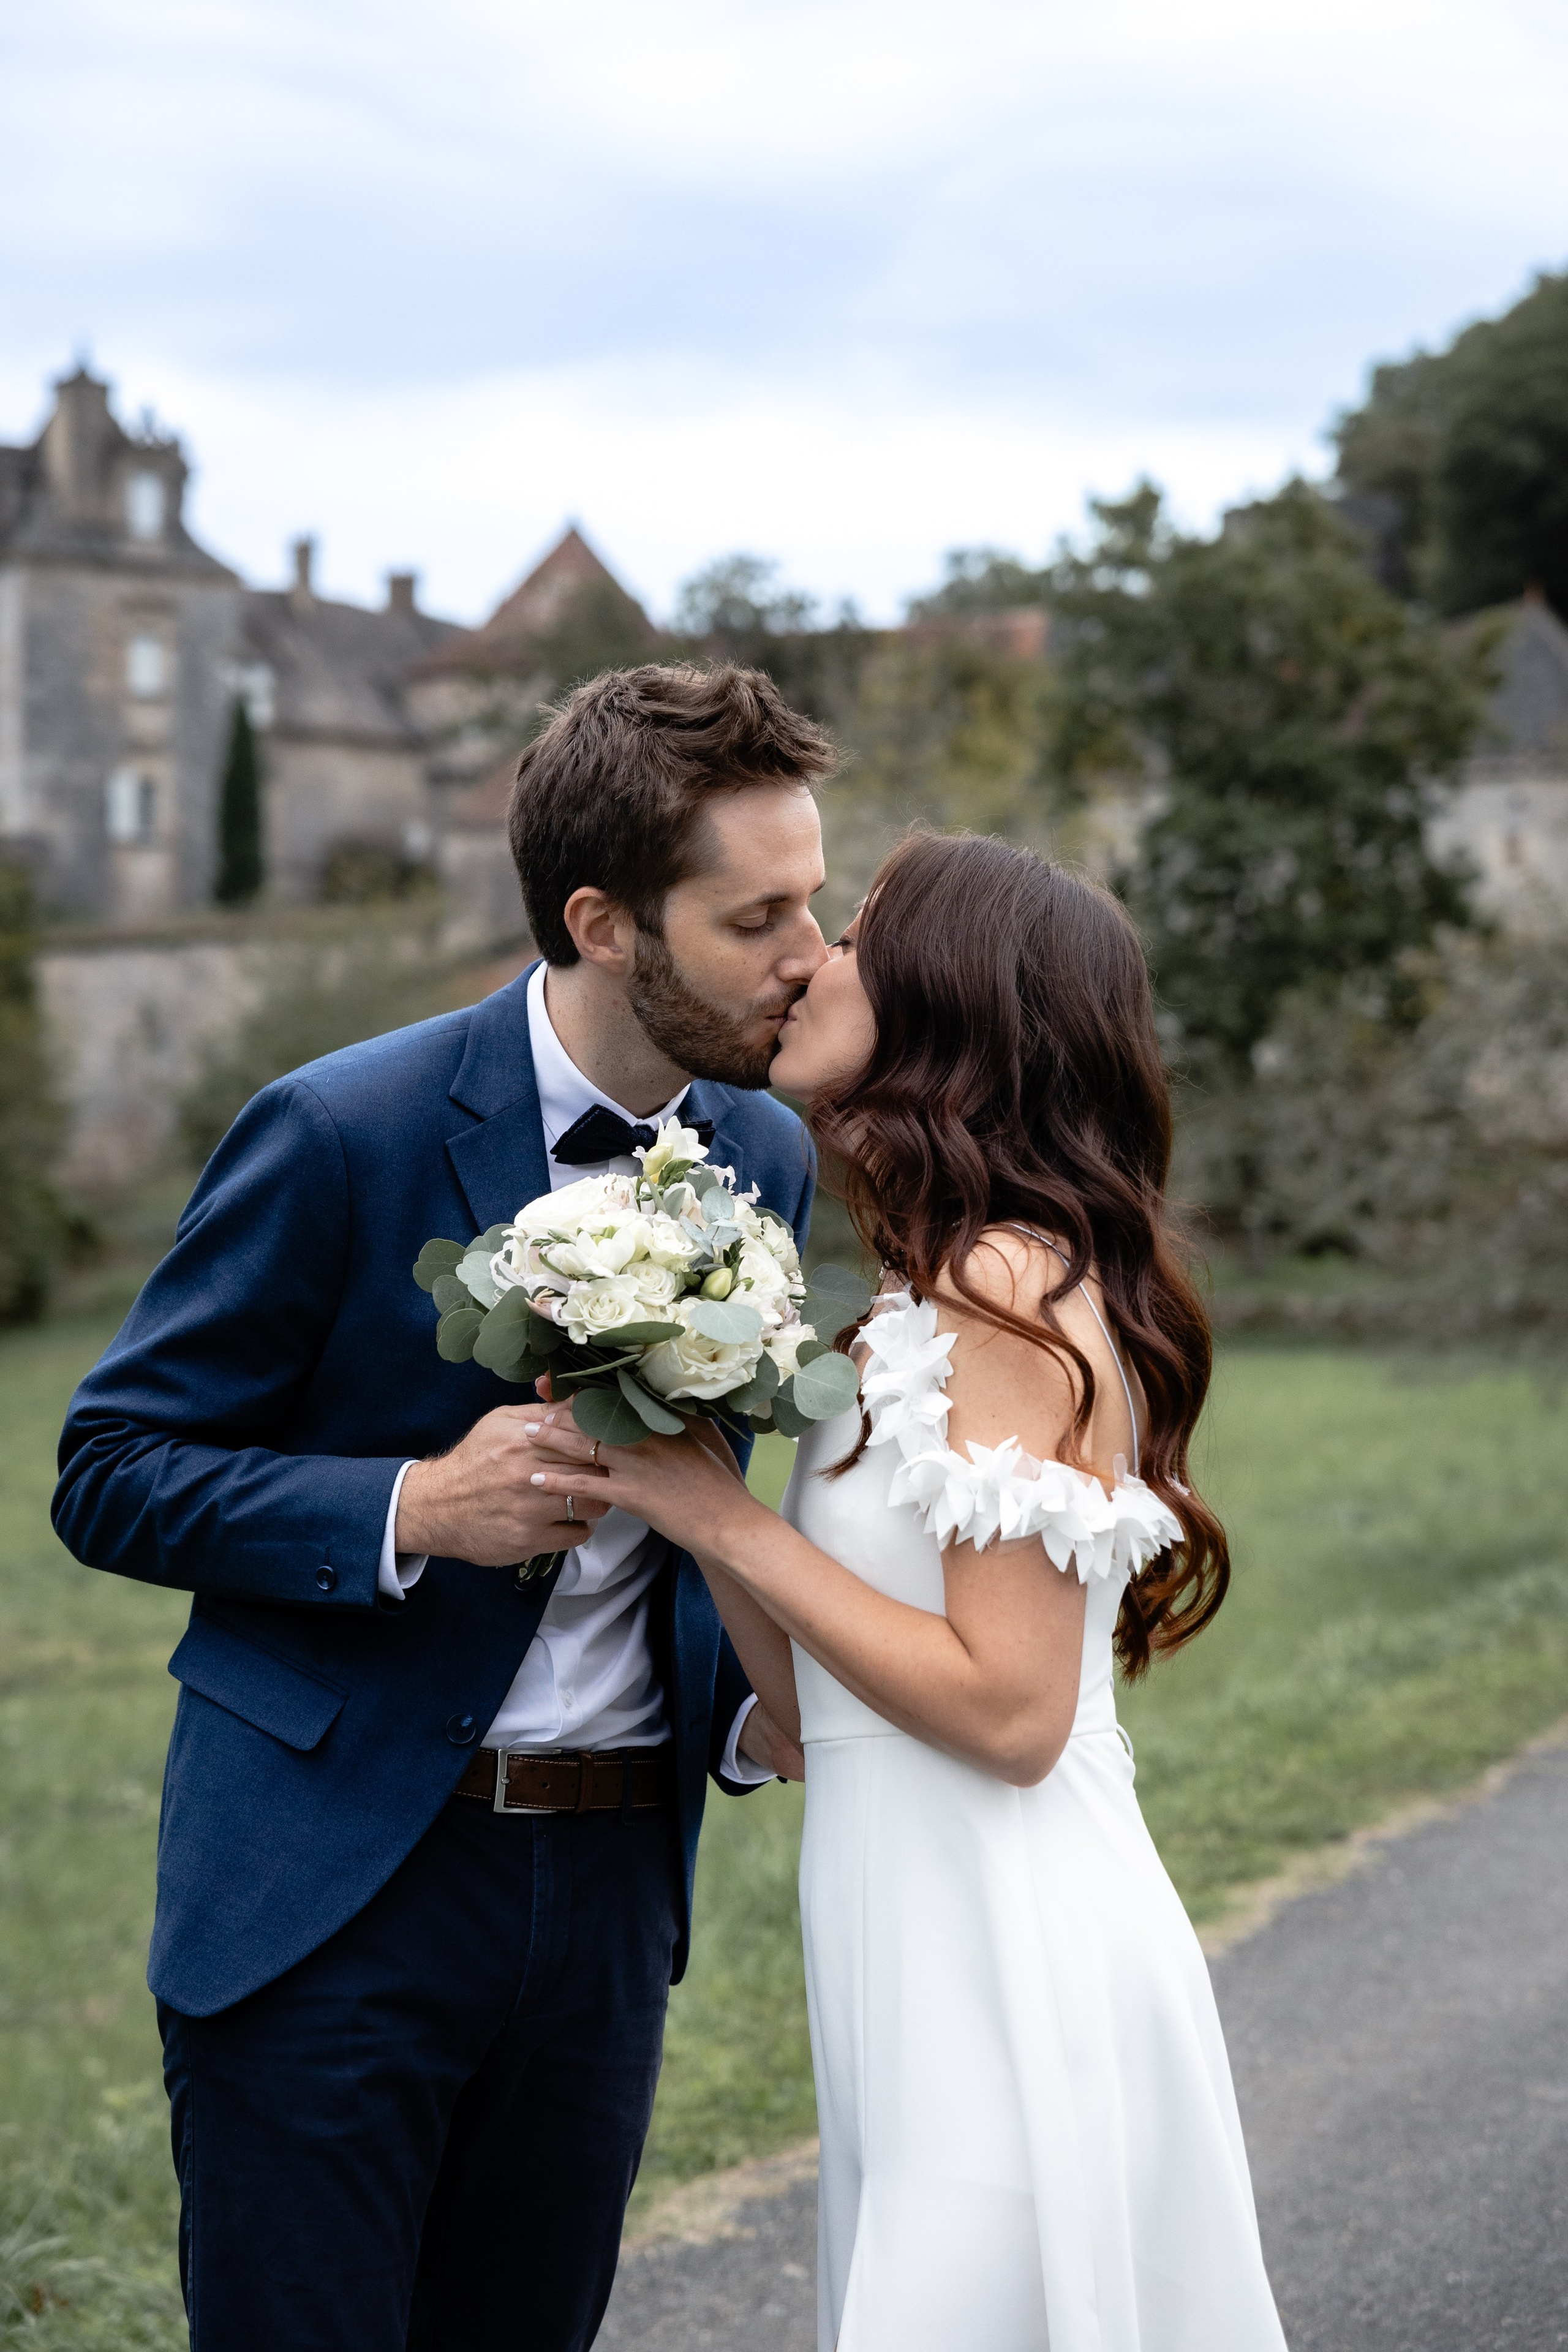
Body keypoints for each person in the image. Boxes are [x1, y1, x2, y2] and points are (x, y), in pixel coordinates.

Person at [51, 663, 832, 2352]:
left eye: (814, 905)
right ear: (604, 922)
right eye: (759, 915)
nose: (812, 958)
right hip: (337, 1891)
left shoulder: (768, 1155)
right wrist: (411, 1504)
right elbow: (108, 1470)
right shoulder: (342, 1128)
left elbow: (719, 1497)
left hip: (617, 1889)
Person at [526, 831, 1291, 2351]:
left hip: (1005, 1945)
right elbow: (806, 1712)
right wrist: (694, 1486)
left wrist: (726, 1527)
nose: (810, 956)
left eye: (860, 935)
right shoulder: (906, 1297)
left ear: (953, 1002)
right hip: (896, 1931)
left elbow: (1009, 1715)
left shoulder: (1010, 1286)